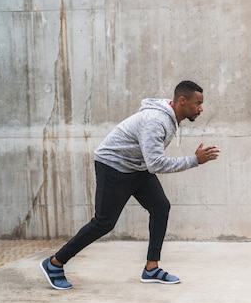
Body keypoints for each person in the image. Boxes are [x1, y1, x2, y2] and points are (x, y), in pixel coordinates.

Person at [40, 80, 220, 290]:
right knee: (104, 222)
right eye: (197, 103)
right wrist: (194, 160)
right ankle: (55, 263)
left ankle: (151, 268)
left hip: (137, 166)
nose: (201, 108)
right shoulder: (156, 121)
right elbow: (156, 163)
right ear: (182, 100)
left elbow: (149, 162)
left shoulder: (170, 117)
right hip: (113, 166)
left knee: (160, 207)